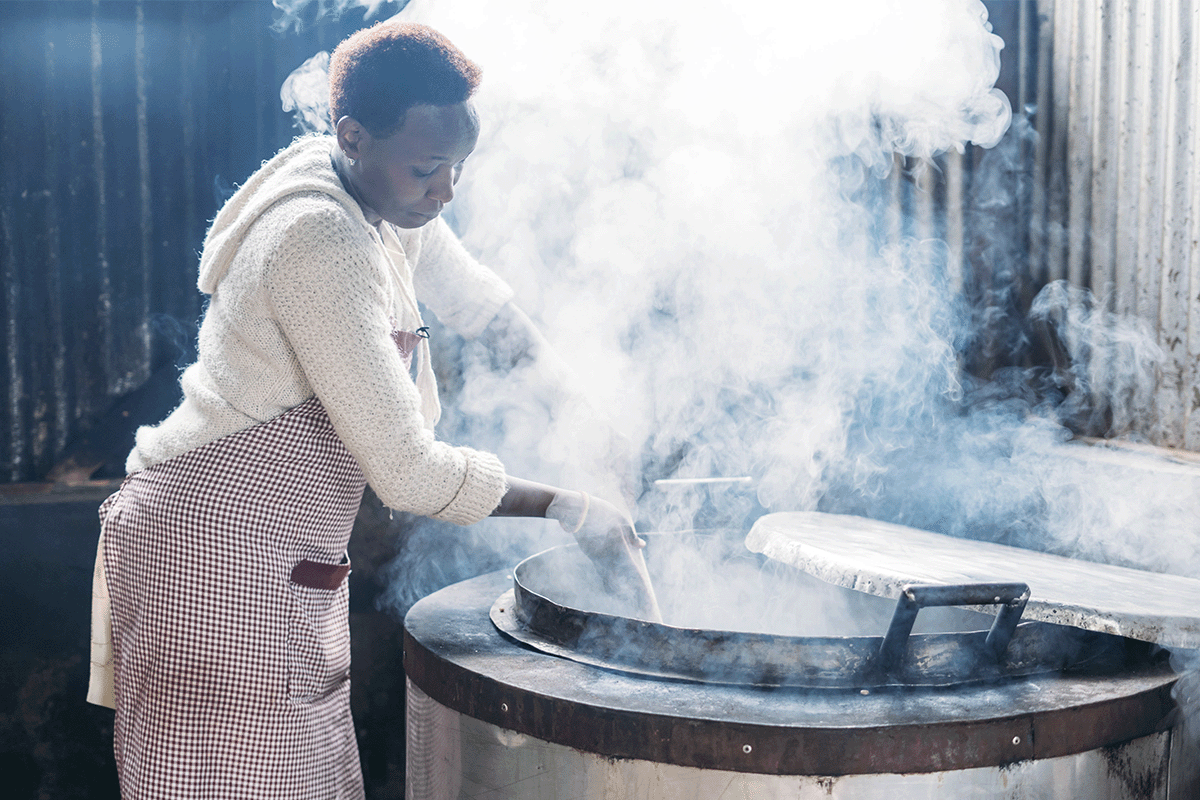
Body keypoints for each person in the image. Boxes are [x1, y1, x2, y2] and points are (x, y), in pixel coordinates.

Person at [86, 20, 659, 800]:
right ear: (352, 136)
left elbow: (480, 308)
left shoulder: (376, 201)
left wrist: (582, 405)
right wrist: (567, 506)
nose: (446, 191)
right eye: (428, 168)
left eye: (458, 167)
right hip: (211, 554)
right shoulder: (319, 238)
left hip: (282, 558)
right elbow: (408, 472)